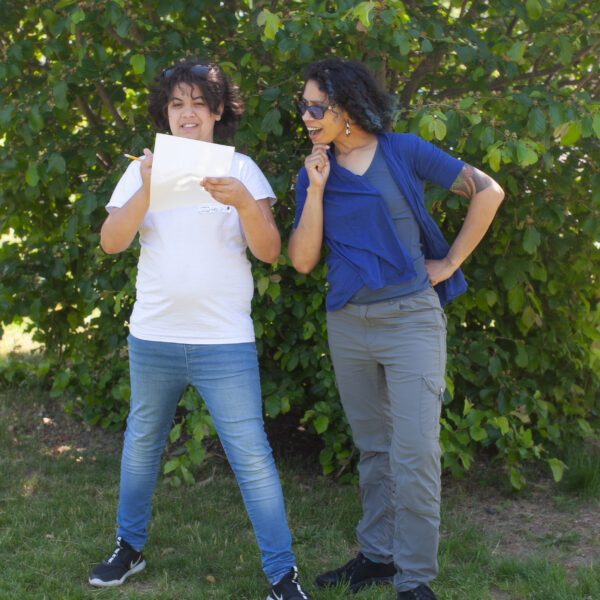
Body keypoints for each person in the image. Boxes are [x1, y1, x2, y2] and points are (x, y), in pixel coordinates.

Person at [89, 60, 312, 600]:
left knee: (251, 456)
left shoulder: (241, 169)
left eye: (197, 103)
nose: (186, 113)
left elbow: (270, 251)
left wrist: (243, 203)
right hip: (154, 336)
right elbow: (111, 242)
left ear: (217, 112)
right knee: (142, 444)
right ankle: (128, 548)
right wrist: (148, 188)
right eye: (176, 104)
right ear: (165, 113)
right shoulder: (143, 169)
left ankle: (282, 576)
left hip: (224, 341)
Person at [288, 58, 505, 600]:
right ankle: (377, 556)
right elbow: (303, 261)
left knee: (415, 454)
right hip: (348, 323)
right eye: (303, 107)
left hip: (411, 321)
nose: (307, 117)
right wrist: (315, 190)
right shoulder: (313, 171)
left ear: (346, 107)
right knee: (373, 448)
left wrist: (450, 263)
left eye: (316, 107)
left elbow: (489, 191)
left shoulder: (403, 150)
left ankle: (414, 580)